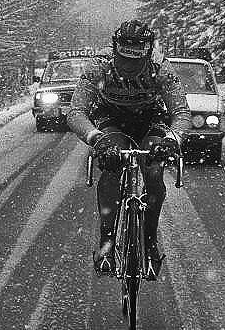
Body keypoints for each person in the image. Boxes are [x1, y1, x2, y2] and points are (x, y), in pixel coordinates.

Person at [67, 20, 191, 280]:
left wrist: (172, 139)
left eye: (136, 63)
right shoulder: (99, 66)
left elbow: (180, 111)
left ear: (147, 53)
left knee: (154, 172)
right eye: (125, 62)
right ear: (115, 51)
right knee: (112, 164)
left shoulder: (161, 67)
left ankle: (150, 241)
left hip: (150, 119)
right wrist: (96, 139)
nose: (130, 69)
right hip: (112, 119)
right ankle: (107, 243)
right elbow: (76, 112)